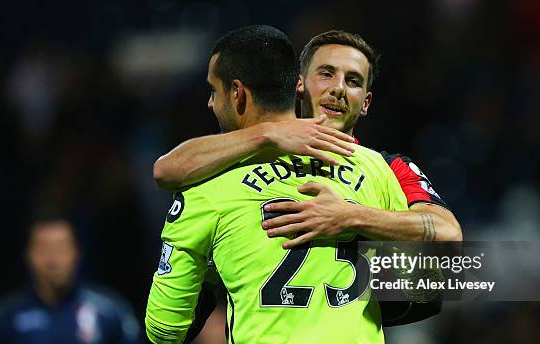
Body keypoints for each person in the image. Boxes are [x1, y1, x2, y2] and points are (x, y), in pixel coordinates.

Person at [145, 25, 409, 344]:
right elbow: (423, 285)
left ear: (237, 94)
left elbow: (164, 332)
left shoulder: (206, 186)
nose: (209, 102)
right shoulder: (375, 170)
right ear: (297, 86)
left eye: (213, 90)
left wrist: (217, 276)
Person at [152, 29, 461, 325]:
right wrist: (267, 133)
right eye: (326, 73)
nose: (338, 88)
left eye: (353, 81)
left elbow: (448, 236)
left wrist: (352, 217)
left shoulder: (387, 169)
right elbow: (166, 169)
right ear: (299, 85)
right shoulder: (251, 152)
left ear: (365, 103)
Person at [0, 217, 153, 344]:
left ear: (77, 253)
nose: (53, 259)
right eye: (44, 249)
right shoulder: (7, 317)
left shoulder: (108, 311)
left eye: (61, 248)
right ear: (29, 256)